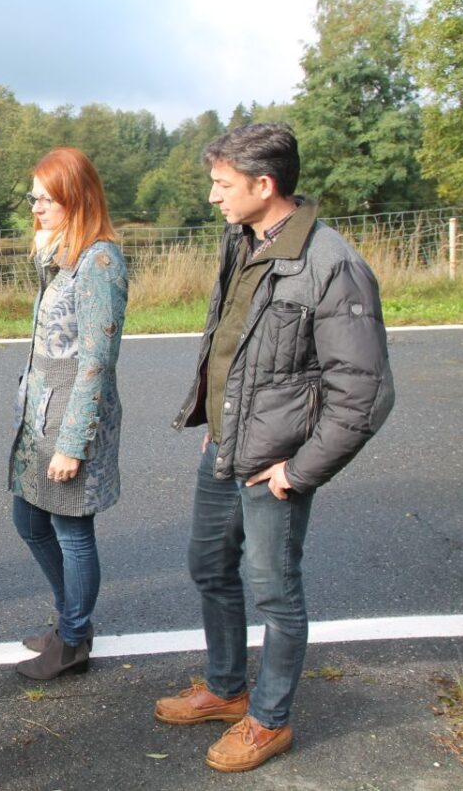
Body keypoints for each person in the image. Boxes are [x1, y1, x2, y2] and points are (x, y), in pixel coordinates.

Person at [154, 123, 395, 772]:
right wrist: (213, 413)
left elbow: (365, 395)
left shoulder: (331, 265)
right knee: (208, 566)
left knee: (275, 591)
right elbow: (233, 341)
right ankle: (228, 688)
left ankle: (271, 718)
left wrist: (300, 469)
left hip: (274, 466)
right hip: (223, 445)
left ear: (265, 185)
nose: (213, 196)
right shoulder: (243, 238)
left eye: (222, 184)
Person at [8, 148, 128, 681]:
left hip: (72, 418)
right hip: (41, 413)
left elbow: (96, 363)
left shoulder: (101, 263)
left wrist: (73, 444)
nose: (34, 206)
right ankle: (70, 620)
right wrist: (44, 252)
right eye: (33, 197)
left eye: (43, 198)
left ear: (73, 198)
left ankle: (74, 638)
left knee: (72, 531)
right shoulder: (65, 254)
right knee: (29, 520)